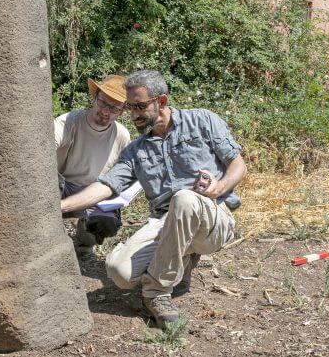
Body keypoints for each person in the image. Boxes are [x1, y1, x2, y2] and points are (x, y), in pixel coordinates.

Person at [60, 70, 247, 328]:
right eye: (130, 107)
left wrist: (218, 188)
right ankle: (181, 257)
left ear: (161, 101)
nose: (134, 114)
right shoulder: (136, 150)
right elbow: (106, 187)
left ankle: (156, 293)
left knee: (184, 199)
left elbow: (238, 165)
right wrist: (60, 207)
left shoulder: (203, 120)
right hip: (164, 222)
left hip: (212, 216)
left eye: (139, 106)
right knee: (119, 272)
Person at [55, 75, 131, 254]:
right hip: (62, 186)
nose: (106, 111)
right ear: (94, 97)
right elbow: (45, 143)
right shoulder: (70, 121)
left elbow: (124, 176)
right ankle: (53, 239)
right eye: (103, 103)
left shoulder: (122, 136)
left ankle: (85, 244)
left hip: (96, 194)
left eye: (114, 108)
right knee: (48, 180)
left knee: (107, 221)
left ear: (121, 112)